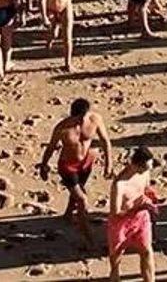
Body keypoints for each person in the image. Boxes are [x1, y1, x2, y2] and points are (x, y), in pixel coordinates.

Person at [38, 97, 114, 244]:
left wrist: (108, 164)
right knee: (82, 198)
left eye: (81, 118)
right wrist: (44, 166)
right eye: (76, 118)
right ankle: (87, 236)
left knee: (78, 189)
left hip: (86, 162)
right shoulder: (62, 128)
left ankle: (67, 215)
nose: (78, 121)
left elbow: (105, 141)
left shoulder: (95, 119)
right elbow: (51, 148)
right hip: (68, 166)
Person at [106, 147, 161, 282]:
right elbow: (115, 212)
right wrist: (139, 207)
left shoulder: (145, 173)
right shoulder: (120, 185)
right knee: (116, 258)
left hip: (141, 218)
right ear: (134, 165)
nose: (146, 172)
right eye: (143, 168)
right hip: (121, 224)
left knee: (147, 251)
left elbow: (145, 189)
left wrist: (152, 195)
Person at [41, 0, 76, 71]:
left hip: (65, 5)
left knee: (67, 36)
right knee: (53, 33)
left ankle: (68, 63)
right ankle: (48, 45)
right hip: (51, 8)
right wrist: (44, 16)